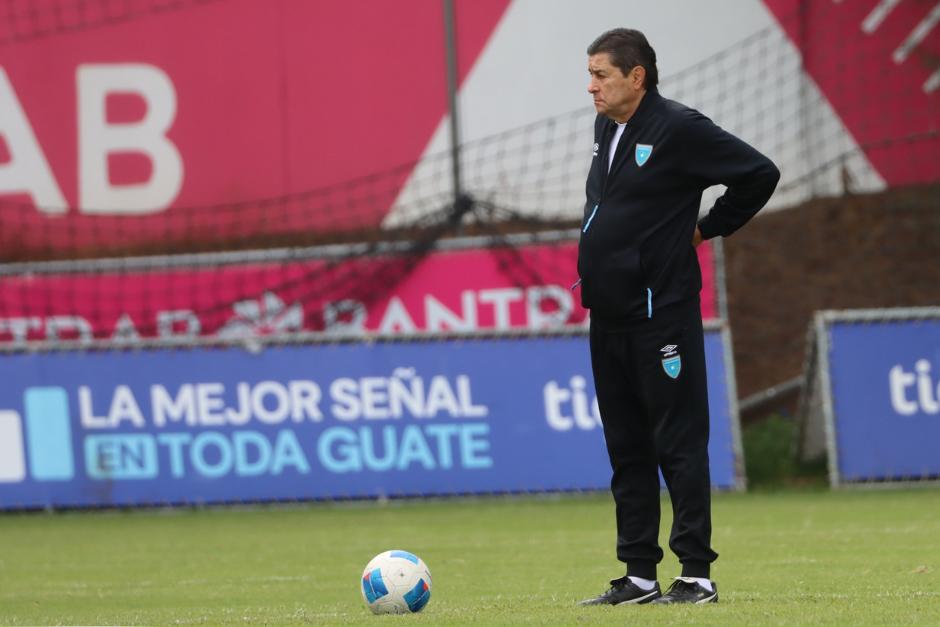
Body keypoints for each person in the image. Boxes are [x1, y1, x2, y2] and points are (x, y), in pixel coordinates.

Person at [576, 28, 779, 605]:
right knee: (627, 447)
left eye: (601, 75)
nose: (591, 87)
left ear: (636, 76)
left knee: (679, 443)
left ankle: (696, 574)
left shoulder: (680, 128)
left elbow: (759, 173)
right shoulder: (606, 127)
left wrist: (707, 228)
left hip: (660, 315)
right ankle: (639, 575)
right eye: (590, 75)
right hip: (608, 314)